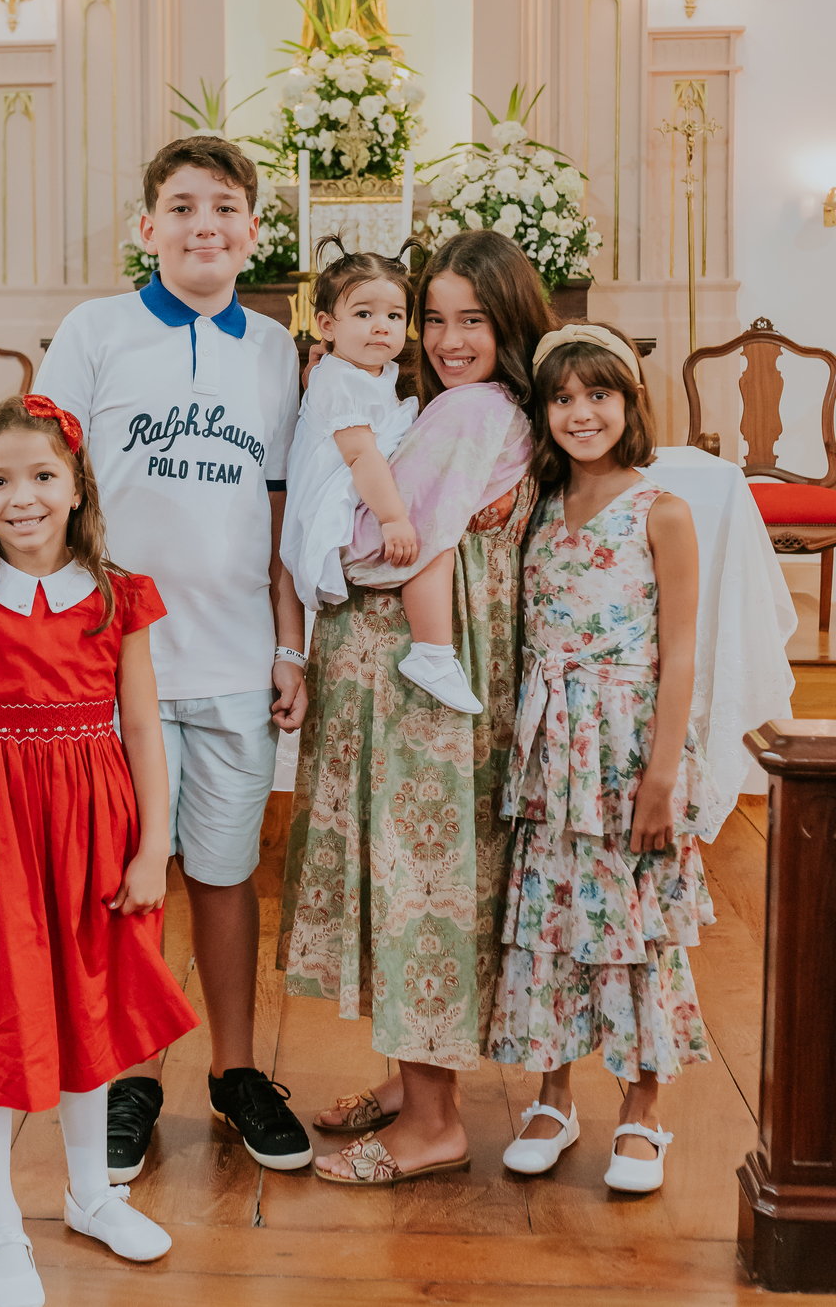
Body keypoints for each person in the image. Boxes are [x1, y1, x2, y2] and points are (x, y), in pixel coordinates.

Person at [35, 133, 312, 1183]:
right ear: (147, 227)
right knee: (131, 880)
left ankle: (236, 1072)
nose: (206, 225)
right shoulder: (95, 330)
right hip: (116, 664)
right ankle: (133, 1078)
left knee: (229, 876)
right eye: (184, 207)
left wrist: (288, 644)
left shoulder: (275, 350)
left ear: (254, 230)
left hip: (235, 655)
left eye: (225, 207)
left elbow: (282, 511)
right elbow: (44, 478)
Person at [0, 393, 197, 1305]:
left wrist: (153, 848)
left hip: (95, 829)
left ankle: (89, 1193)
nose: (21, 496)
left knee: (88, 1008)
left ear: (76, 487)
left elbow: (143, 728)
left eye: (41, 475)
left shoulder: (116, 594)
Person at [279, 230, 551, 1183]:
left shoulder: (468, 409)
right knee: (412, 867)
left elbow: (375, 548)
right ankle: (410, 1083)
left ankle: (435, 1121)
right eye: (432, 319)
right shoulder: (474, 403)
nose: (445, 339)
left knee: (419, 875)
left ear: (509, 321)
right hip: (427, 663)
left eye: (472, 319)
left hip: (416, 680)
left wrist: (330, 534)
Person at [487, 323, 717, 1192]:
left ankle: (642, 1106)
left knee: (634, 925)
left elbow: (681, 652)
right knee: (552, 920)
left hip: (626, 747)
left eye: (599, 394)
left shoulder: (661, 510)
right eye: (562, 398)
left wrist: (663, 775)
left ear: (630, 402)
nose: (581, 413)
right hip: (552, 748)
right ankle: (554, 1096)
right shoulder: (536, 506)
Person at [281, 235, 526, 714]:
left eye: (395, 316)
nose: (381, 327)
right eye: (364, 314)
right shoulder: (343, 378)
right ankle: (432, 654)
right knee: (434, 533)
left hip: (361, 482)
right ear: (327, 325)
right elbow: (360, 457)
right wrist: (394, 518)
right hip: (345, 495)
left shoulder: (363, 371)